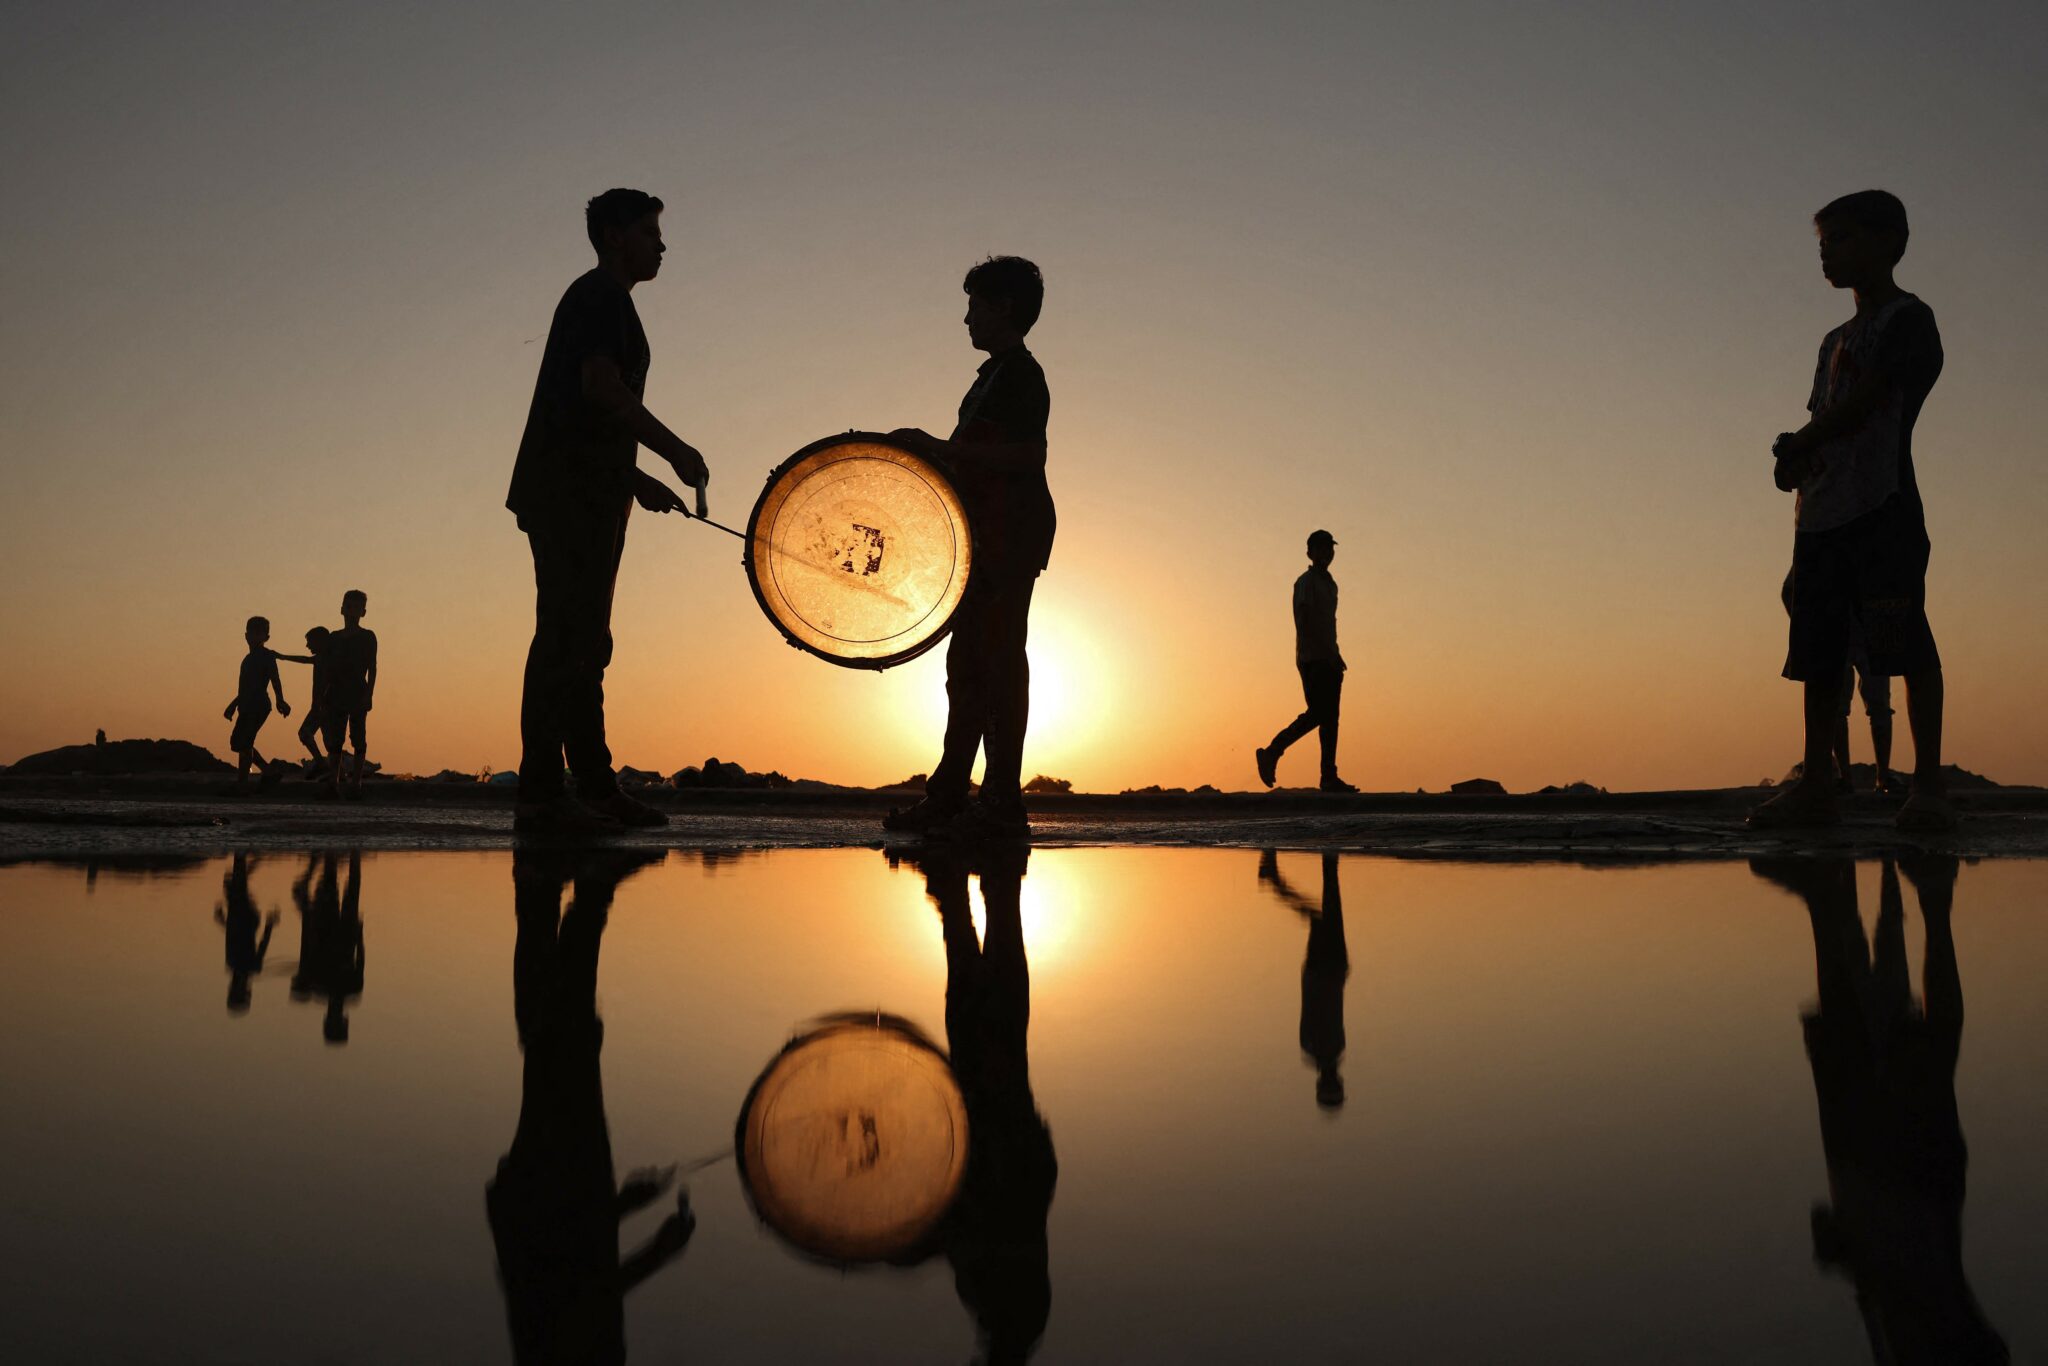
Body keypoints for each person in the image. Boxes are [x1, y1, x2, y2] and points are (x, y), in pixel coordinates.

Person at [1750, 855, 2008, 1364]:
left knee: (1903, 1048)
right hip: (1892, 1189)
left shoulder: (1904, 1319)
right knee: (1913, 1053)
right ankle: (1921, 910)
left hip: (1889, 1186)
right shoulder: (1911, 1319)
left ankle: (1927, 913)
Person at [507, 189, 710, 835]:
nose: (662, 244)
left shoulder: (603, 302)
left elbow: (587, 416)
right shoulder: (601, 297)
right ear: (617, 236)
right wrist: (674, 450)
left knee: (582, 640)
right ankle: (547, 794)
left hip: (586, 488)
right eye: (651, 231)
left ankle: (590, 787)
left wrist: (636, 477)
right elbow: (601, 391)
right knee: (568, 639)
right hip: (571, 495)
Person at [1751, 190, 1950, 831]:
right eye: (1823, 242)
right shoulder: (1833, 338)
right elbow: (1823, 416)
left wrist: (1804, 441)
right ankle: (1817, 781)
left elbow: (1869, 401)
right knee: (1819, 650)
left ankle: (1928, 786)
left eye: (1840, 239)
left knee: (1903, 639)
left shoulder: (1908, 321)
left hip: (1882, 505)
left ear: (1888, 241)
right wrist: (1796, 462)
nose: (1827, 254)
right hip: (1823, 515)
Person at [487, 847, 695, 1364]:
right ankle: (563, 884)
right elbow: (582, 1278)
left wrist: (653, 1245)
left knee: (560, 1033)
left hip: (554, 1183)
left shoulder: (555, 1344)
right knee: (552, 1034)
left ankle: (585, 885)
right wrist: (630, 1207)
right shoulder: (545, 1339)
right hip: (548, 1189)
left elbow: (583, 1288)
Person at [883, 256, 1055, 841]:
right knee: (968, 667)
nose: (966, 318)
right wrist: (932, 455)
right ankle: (953, 794)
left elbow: (1029, 456)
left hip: (1011, 535)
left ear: (1003, 308)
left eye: (975, 306)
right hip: (986, 536)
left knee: (1000, 664)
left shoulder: (1022, 375)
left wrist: (942, 448)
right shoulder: (991, 377)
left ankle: (1001, 800)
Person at [894, 843, 1057, 1364]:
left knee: (969, 938)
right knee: (989, 930)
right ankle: (965, 855)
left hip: (987, 1098)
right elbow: (989, 1221)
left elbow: (970, 1229)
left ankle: (957, 862)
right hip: (999, 1095)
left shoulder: (996, 1298)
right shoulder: (1012, 1296)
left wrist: (923, 1243)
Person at [1255, 530, 1356, 793]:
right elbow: (1305, 621)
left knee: (1330, 718)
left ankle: (1328, 775)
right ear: (1310, 553)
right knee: (1319, 714)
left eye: (1330, 549)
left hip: (1330, 658)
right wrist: (1319, 653)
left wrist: (1336, 655)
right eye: (1322, 549)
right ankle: (1273, 751)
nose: (1328, 553)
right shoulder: (1305, 582)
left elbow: (1328, 623)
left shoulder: (1330, 583)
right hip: (1312, 659)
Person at [1258, 849, 1349, 1110]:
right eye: (1336, 1086)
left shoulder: (1319, 1048)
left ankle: (1277, 879)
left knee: (1323, 915)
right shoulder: (1321, 1050)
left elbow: (1320, 1007)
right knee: (1323, 914)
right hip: (1327, 971)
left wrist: (1330, 975)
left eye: (1332, 1085)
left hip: (1324, 971)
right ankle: (1321, 863)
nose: (1335, 1080)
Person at [320, 590, 378, 800]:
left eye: (356, 608)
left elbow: (372, 668)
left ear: (363, 612)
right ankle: (333, 783)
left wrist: (369, 695)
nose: (352, 612)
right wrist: (323, 695)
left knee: (358, 738)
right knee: (335, 740)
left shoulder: (367, 637)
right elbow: (327, 669)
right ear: (342, 609)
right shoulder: (334, 638)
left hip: (357, 693)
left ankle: (356, 784)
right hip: (336, 694)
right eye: (349, 607)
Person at [222, 615, 292, 790]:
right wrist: (233, 704)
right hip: (246, 705)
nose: (253, 637)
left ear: (266, 637)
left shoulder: (266, 656)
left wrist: (280, 699)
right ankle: (267, 771)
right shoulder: (248, 659)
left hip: (258, 705)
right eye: (251, 633)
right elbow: (246, 687)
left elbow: (275, 679)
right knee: (240, 742)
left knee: (244, 742)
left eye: (258, 633)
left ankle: (243, 783)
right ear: (246, 635)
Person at [214, 852, 279, 1013]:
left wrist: (222, 920)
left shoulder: (243, 966)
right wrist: (269, 925)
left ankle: (249, 855)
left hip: (244, 918)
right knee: (235, 883)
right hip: (243, 918)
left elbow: (232, 938)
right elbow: (259, 943)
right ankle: (246, 852)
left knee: (235, 883)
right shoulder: (243, 966)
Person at [293, 625, 333, 773]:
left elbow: (306, 660)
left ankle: (330, 769)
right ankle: (325, 766)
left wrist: (322, 703)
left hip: (325, 708)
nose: (307, 645)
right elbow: (305, 660)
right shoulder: (320, 659)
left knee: (327, 742)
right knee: (309, 735)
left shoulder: (327, 660)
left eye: (310, 642)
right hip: (319, 707)